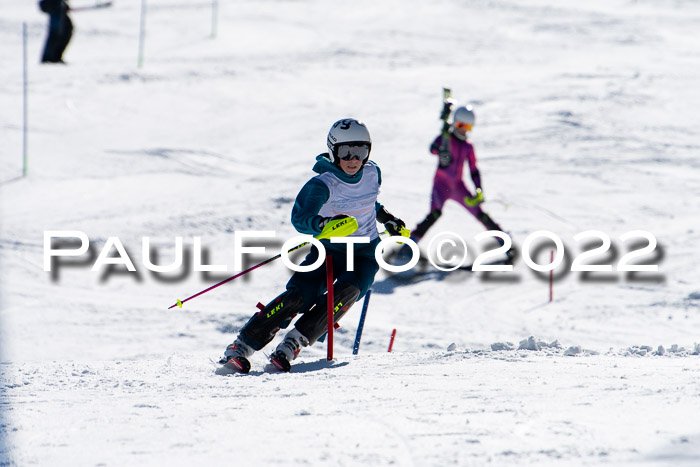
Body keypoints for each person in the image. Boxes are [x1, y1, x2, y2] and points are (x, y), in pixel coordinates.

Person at [221, 118, 407, 373]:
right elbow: (300, 218)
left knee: (345, 294)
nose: (354, 159)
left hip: (365, 252)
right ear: (333, 150)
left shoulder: (373, 172)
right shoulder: (323, 184)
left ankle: (293, 343)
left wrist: (387, 218)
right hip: (329, 250)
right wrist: (323, 224)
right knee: (299, 295)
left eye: (361, 151)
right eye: (346, 152)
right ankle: (242, 345)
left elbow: (368, 201)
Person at [411, 104, 514, 259]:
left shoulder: (468, 146)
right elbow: (432, 148)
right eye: (460, 125)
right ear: (454, 123)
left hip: (458, 186)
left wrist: (479, 189)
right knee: (435, 213)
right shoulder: (446, 138)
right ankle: (410, 242)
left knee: (480, 213)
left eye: (467, 126)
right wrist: (441, 151)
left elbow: (473, 169)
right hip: (441, 184)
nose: (462, 129)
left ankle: (503, 241)